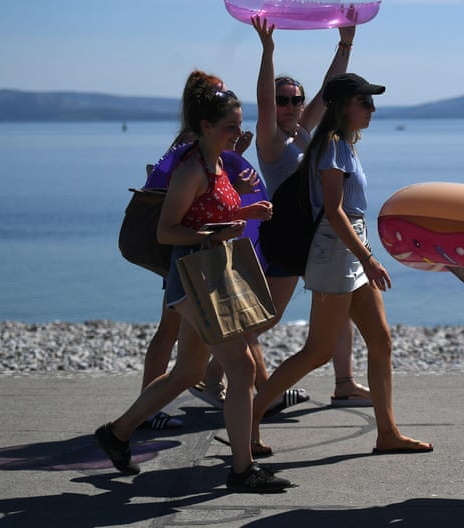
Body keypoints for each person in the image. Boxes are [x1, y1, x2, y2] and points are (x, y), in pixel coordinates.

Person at [95, 72, 291, 493]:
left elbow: (209, 214)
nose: (239, 133)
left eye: (240, 125)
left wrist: (247, 213)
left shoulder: (217, 162)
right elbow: (168, 231)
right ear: (205, 126)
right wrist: (215, 234)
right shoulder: (190, 169)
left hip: (211, 273)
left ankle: (117, 433)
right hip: (194, 276)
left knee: (187, 371)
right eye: (230, 126)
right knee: (241, 370)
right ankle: (242, 469)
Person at [193, 17, 372, 413]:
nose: (290, 106)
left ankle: (344, 383)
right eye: (282, 100)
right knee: (268, 316)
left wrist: (345, 46)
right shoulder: (273, 141)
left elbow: (329, 93)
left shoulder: (305, 133)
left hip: (315, 235)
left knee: (337, 303)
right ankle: (212, 372)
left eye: (296, 99)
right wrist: (267, 51)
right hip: (287, 237)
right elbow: (262, 99)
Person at [249, 73, 432, 456]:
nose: (371, 109)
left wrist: (365, 253)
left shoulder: (343, 144)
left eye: (371, 102)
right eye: (364, 102)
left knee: (381, 341)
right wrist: (369, 258)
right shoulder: (331, 145)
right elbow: (333, 212)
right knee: (317, 351)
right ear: (342, 106)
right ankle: (248, 419)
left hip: (352, 247)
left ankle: (387, 433)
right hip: (335, 252)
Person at [140, 72, 304, 430]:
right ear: (204, 111)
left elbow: (213, 199)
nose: (235, 130)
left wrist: (241, 194)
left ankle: (133, 421)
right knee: (183, 341)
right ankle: (143, 415)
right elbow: (183, 212)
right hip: (192, 264)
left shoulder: (209, 146)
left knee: (191, 363)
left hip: (208, 262)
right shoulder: (192, 150)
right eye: (229, 123)